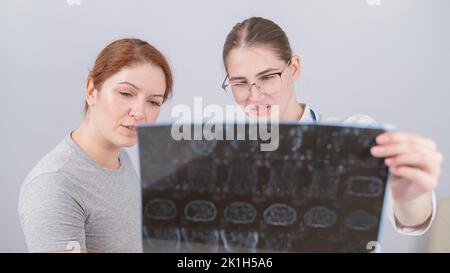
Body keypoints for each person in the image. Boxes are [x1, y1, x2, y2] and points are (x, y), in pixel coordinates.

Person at [221, 17, 443, 234]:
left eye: (267, 77)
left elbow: (411, 219)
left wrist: (413, 198)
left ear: (294, 68)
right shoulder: (222, 156)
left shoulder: (355, 135)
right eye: (240, 83)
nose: (254, 95)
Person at [18, 38, 173, 252]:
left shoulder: (120, 159)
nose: (140, 113)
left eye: (154, 102)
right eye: (126, 93)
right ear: (91, 91)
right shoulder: (53, 185)